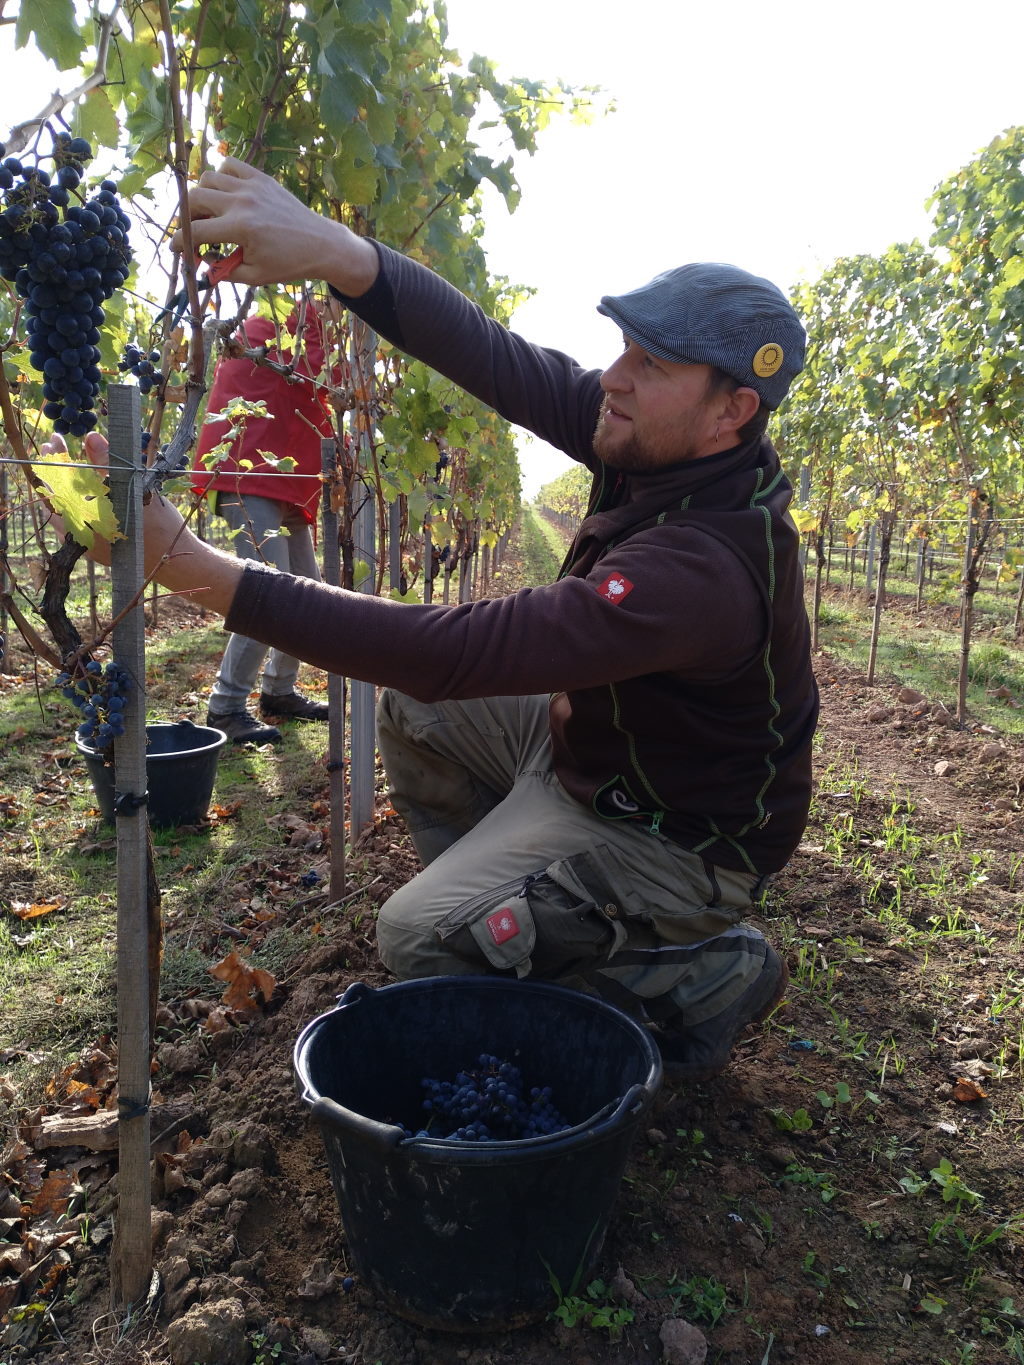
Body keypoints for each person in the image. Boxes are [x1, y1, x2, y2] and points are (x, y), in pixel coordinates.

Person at [68, 160, 820, 1082]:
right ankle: (513, 922)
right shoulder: (664, 444)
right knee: (417, 716)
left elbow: (460, 648)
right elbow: (498, 357)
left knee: (411, 935)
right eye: (622, 349)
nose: (612, 379)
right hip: (596, 762)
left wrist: (190, 566)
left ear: (731, 411)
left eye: (649, 364)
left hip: (674, 838)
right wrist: (343, 256)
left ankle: (688, 967)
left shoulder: (707, 566)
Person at [193, 303, 334, 743]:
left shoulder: (305, 333)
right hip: (247, 475)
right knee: (268, 592)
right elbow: (322, 374)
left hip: (286, 481)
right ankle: (226, 707)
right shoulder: (266, 330)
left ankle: (278, 691)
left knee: (305, 591)